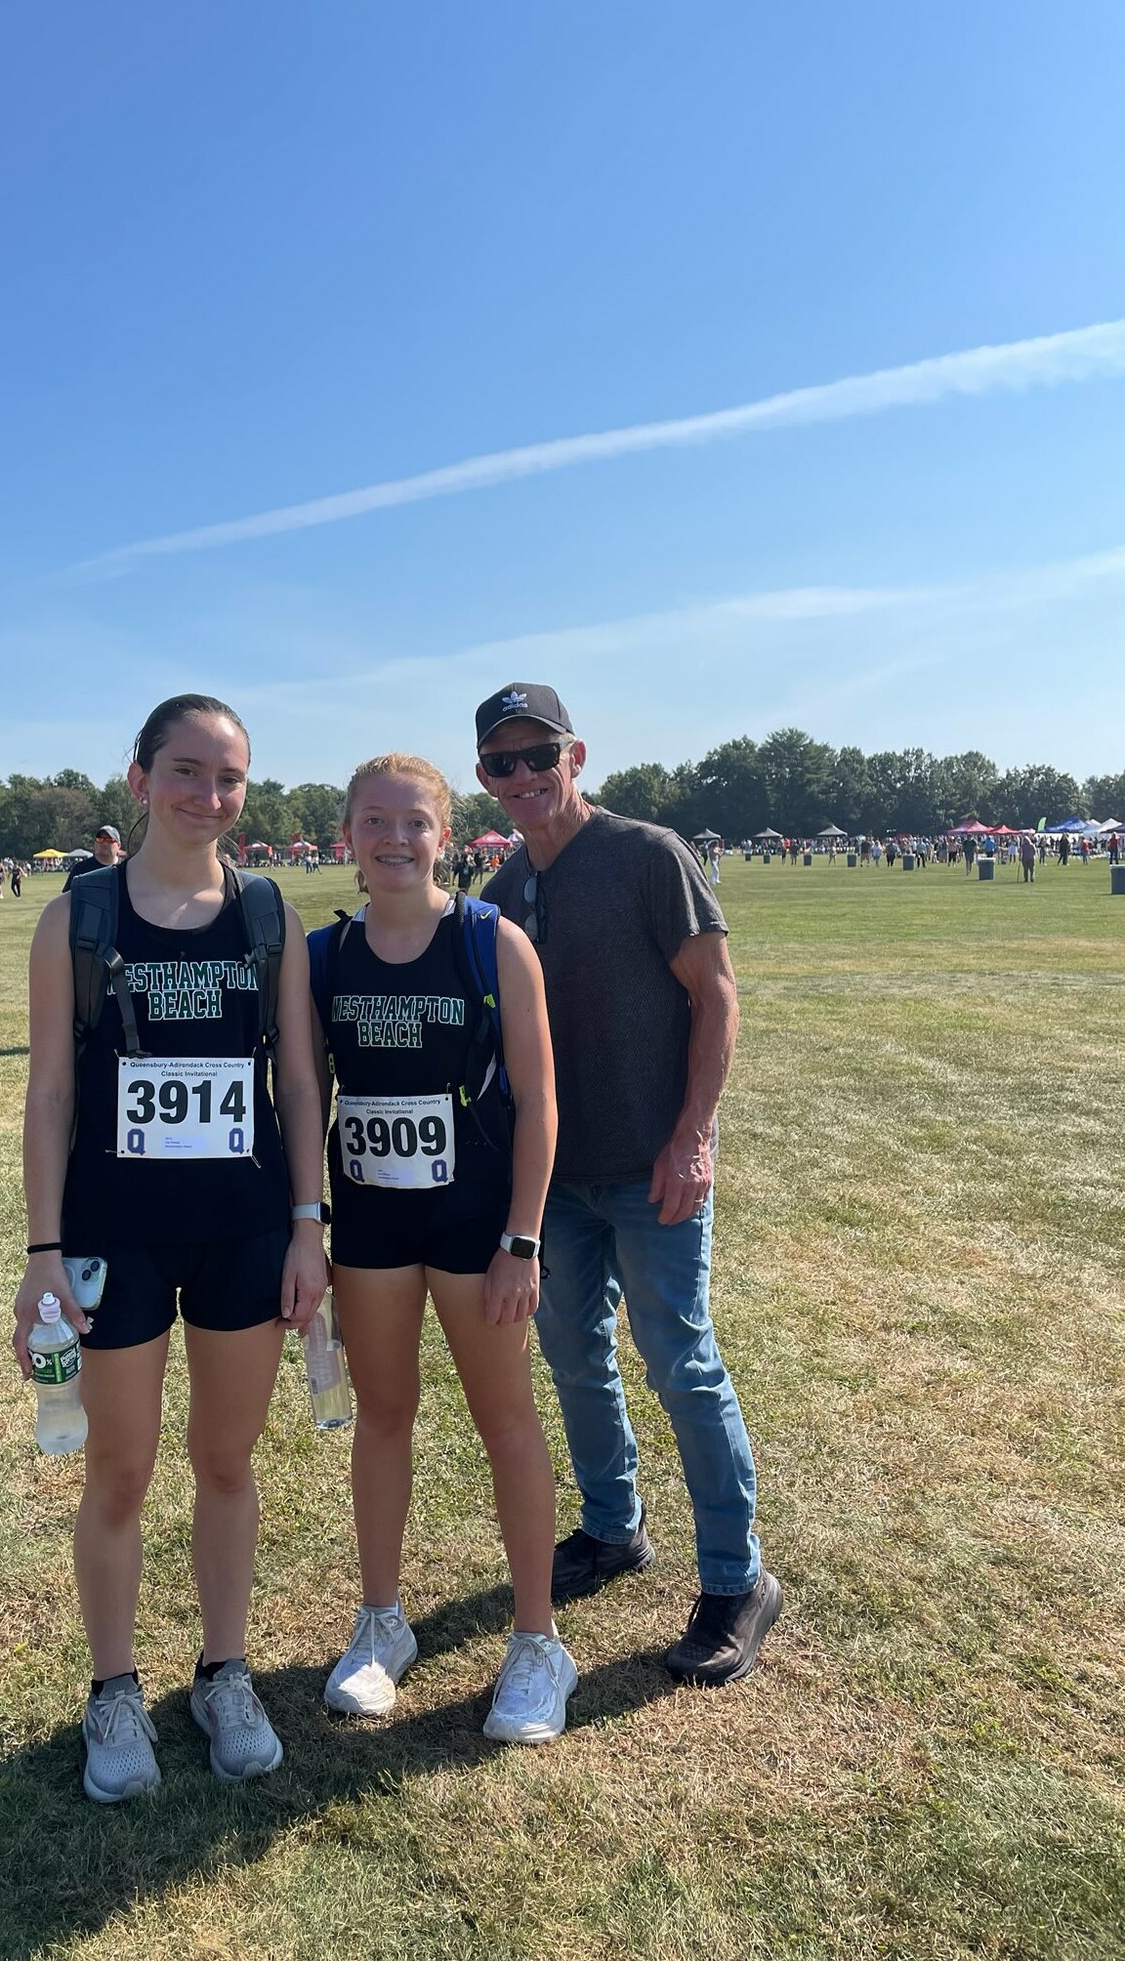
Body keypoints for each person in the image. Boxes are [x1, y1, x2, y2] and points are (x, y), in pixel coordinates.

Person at [13, 693, 328, 1803]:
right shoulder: (80, 915)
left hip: (244, 1229)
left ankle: (224, 1670)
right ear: (139, 775)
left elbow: (297, 1078)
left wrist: (307, 1224)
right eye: (186, 770)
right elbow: (50, 1088)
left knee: (229, 1460)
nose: (209, 795)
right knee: (120, 1466)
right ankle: (113, 1689)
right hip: (112, 1232)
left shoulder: (267, 913)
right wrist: (42, 1248)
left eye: (229, 777)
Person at [474, 683, 779, 1687]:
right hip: (556, 1178)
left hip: (654, 1165)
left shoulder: (650, 855)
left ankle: (737, 1579)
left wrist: (693, 1137)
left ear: (577, 755)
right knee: (572, 1355)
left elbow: (717, 994)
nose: (522, 776)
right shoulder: (506, 888)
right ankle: (614, 1526)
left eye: (537, 754)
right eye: (500, 762)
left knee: (681, 1362)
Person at [310, 754, 574, 1744]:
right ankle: (382, 1622)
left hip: (477, 1226)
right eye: (373, 821)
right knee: (384, 1414)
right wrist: (312, 1227)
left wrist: (522, 1237)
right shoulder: (322, 954)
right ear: (347, 838)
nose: (393, 838)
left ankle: (539, 1639)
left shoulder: (492, 943)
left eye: (413, 821)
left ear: (446, 834)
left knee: (506, 1421)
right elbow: (307, 1097)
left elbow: (542, 1100)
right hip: (373, 1224)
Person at [63, 824, 124, 893]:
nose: (104, 843)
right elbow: (67, 897)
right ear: (95, 843)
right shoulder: (81, 869)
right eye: (100, 839)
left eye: (109, 840)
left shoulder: (125, 869)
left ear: (118, 846)